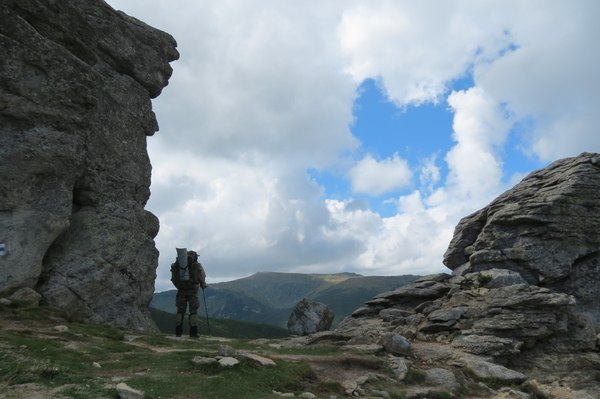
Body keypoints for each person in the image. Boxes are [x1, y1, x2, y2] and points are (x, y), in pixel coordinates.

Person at [170, 248, 207, 338]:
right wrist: (203, 284)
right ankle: (193, 332)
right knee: (193, 311)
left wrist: (179, 286)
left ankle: (178, 331)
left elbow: (174, 279)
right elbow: (202, 276)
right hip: (193, 291)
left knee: (180, 311)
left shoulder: (177, 265)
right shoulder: (196, 265)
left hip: (181, 291)